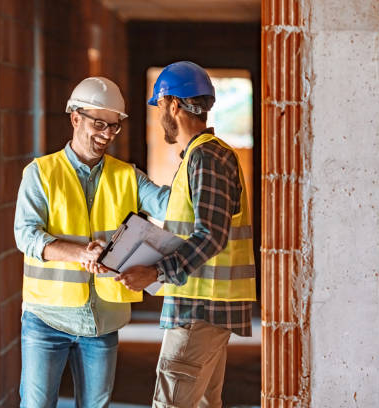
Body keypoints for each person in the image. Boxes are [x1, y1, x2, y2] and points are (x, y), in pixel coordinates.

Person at [14, 76, 169, 408]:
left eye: (114, 127)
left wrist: (197, 168)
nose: (106, 134)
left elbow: (169, 205)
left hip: (102, 320)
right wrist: (79, 253)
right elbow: (26, 235)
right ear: (75, 118)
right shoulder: (41, 173)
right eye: (99, 124)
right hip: (47, 318)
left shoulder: (128, 175)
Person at [116, 61, 257, 408]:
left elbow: (211, 234)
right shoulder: (200, 156)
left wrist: (156, 272)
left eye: (160, 106)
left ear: (174, 105)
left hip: (199, 309)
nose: (161, 113)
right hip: (201, 308)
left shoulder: (207, 157)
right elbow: (180, 213)